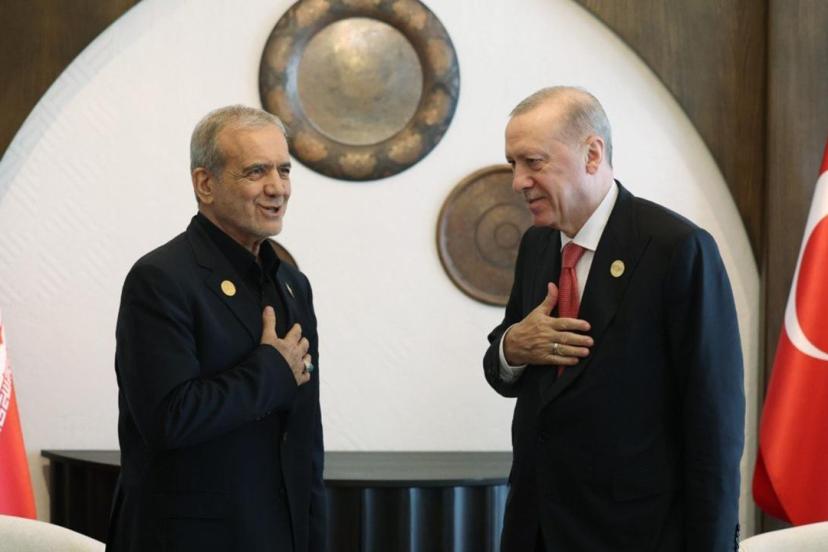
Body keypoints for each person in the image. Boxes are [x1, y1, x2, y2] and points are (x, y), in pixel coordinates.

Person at [483, 87, 744, 551]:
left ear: (592, 154)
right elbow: (505, 370)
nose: (518, 181)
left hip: (633, 534)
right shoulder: (536, 245)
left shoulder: (676, 249)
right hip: (535, 529)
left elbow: (714, 425)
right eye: (512, 164)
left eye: (533, 162)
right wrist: (511, 348)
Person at [106, 105, 325, 552]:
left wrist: (313, 533)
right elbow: (168, 419)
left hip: (278, 534)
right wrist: (270, 371)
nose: (277, 188)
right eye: (256, 171)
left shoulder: (291, 284)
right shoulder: (161, 278)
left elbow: (305, 435)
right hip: (189, 538)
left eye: (284, 170)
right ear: (205, 184)